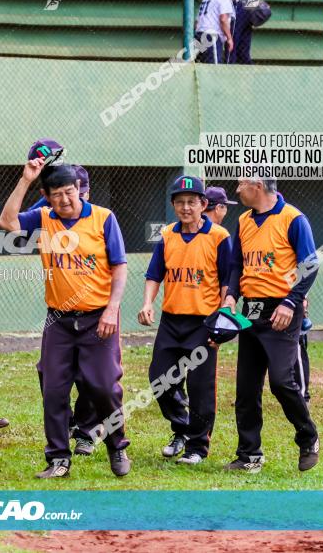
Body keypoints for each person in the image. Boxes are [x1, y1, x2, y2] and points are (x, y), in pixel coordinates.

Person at [0, 161, 131, 479]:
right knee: (54, 388)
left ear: (80, 190)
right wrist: (26, 180)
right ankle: (58, 458)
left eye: (70, 192)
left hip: (98, 319)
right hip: (59, 321)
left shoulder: (103, 218)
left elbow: (119, 266)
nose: (65, 200)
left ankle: (117, 446)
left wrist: (113, 308)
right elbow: (7, 221)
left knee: (103, 387)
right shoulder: (44, 219)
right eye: (56, 195)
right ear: (46, 196)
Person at [224, 178, 320, 473]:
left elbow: (310, 264)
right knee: (246, 389)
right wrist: (230, 296)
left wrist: (291, 302)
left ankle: (308, 438)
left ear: (257, 186)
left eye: (241, 184)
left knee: (281, 382)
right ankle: (249, 455)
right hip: (251, 308)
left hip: (282, 308)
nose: (236, 190)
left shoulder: (293, 218)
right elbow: (237, 265)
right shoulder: (242, 220)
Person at [138, 176, 232, 465]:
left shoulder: (219, 237)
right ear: (173, 206)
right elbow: (155, 274)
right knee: (160, 380)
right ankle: (181, 429)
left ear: (204, 204)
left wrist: (223, 317)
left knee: (201, 387)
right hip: (171, 321)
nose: (186, 207)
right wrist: (147, 303)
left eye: (192, 202)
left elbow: (228, 281)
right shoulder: (168, 235)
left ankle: (197, 448)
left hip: (203, 323)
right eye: (180, 202)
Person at [205, 0, 254, 64]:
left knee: (231, 43)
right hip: (250, 6)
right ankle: (248, 72)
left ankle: (229, 70)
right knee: (243, 49)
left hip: (239, 6)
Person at [196, 0, 238, 64]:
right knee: (214, 68)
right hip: (211, 36)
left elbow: (196, 22)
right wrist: (229, 38)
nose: (234, 0)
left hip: (199, 34)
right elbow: (223, 19)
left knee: (201, 66)